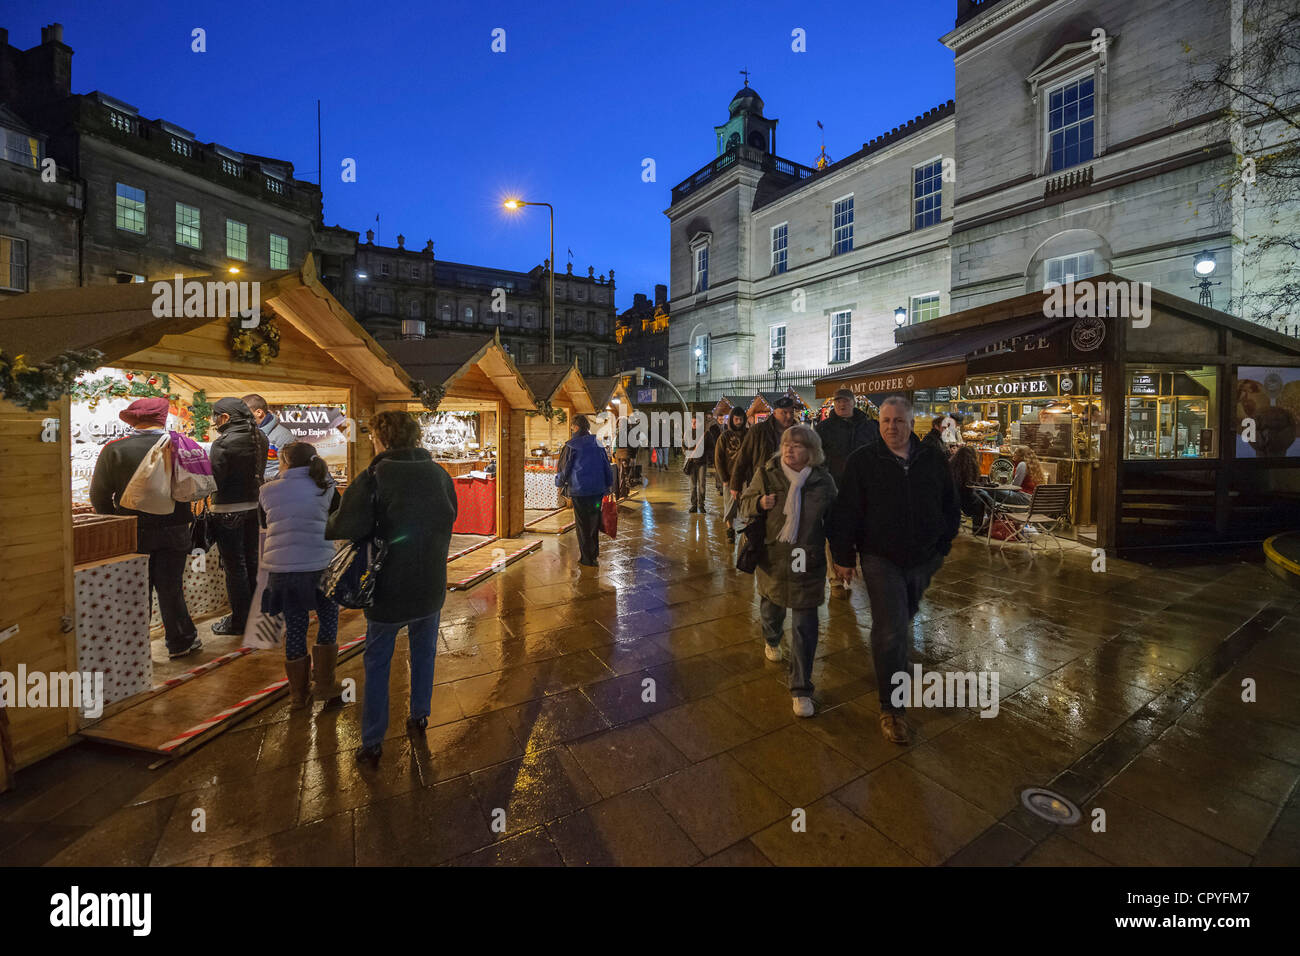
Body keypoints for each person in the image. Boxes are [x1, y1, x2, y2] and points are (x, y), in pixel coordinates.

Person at [327, 411, 457, 767]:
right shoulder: (439, 475)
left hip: (386, 587)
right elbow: (450, 517)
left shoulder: (374, 477)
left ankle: (372, 741)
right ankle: (419, 714)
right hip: (430, 583)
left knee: (379, 661)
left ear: (381, 439)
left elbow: (346, 525)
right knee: (424, 652)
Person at [828, 395, 960, 745]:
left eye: (898, 421)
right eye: (886, 421)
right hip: (878, 556)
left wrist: (942, 545)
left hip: (923, 557)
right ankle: (892, 708)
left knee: (903, 619)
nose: (891, 427)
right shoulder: (863, 462)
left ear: (910, 423)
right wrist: (842, 555)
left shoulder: (932, 459)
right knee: (890, 628)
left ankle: (895, 665)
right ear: (879, 424)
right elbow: (846, 511)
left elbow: (950, 504)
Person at [90, 397, 202, 660]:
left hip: (132, 530)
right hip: (175, 528)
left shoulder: (114, 450)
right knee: (171, 587)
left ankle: (133, 649)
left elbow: (98, 495)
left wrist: (118, 522)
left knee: (134, 590)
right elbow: (195, 489)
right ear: (163, 418)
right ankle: (180, 642)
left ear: (134, 418)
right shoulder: (181, 446)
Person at [740, 425, 837, 718]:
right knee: (772, 609)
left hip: (808, 559)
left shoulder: (822, 481)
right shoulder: (767, 474)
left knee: (805, 626)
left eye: (797, 445)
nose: (790, 450)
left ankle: (801, 688)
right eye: (786, 444)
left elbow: (836, 521)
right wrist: (758, 502)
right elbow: (744, 504)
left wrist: (843, 558)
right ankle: (771, 639)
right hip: (774, 557)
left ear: (812, 451)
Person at [259, 441, 342, 709]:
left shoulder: (267, 491)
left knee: (295, 626)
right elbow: (336, 519)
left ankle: (298, 694)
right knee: (328, 620)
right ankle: (326, 684)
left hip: (283, 568)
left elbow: (264, 523)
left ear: (284, 461)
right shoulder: (325, 487)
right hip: (320, 563)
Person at [209, 397, 269, 636]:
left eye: (215, 417)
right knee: (252, 562)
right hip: (254, 508)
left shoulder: (223, 444)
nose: (213, 422)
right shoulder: (260, 437)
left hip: (227, 511)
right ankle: (254, 614)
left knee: (235, 568)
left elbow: (214, 481)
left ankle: (239, 621)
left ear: (225, 418)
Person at [815, 388, 880, 593]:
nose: (842, 404)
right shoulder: (823, 428)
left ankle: (857, 571)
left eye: (846, 401)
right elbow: (816, 458)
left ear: (854, 403)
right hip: (834, 488)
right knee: (832, 531)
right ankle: (834, 578)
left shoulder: (870, 427)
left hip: (864, 489)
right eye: (838, 401)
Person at [557, 414, 614, 568]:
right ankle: (594, 553)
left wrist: (559, 482)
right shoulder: (598, 443)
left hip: (579, 491)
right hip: (596, 490)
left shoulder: (571, 446)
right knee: (594, 521)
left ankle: (586, 558)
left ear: (576, 427)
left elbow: (565, 468)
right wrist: (609, 485)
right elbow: (606, 465)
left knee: (582, 524)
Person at [728, 395, 796, 501]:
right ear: (774, 413)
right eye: (784, 413)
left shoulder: (798, 433)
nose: (788, 416)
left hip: (790, 484)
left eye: (791, 412)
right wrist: (735, 485)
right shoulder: (758, 431)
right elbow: (743, 457)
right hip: (763, 484)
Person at [714, 407, 749, 540]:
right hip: (729, 476)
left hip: (745, 477)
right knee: (730, 505)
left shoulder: (748, 434)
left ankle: (745, 530)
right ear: (732, 420)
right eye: (736, 419)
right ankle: (730, 528)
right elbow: (718, 458)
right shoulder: (725, 436)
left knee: (745, 505)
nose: (739, 422)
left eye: (741, 419)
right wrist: (723, 478)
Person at [242, 393, 295, 479]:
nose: (240, 418)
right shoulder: (246, 432)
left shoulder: (284, 437)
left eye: (243, 414)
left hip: (274, 488)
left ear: (259, 412)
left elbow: (289, 470)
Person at [686, 413, 720, 514]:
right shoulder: (688, 433)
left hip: (702, 463)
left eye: (695, 422)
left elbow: (712, 448)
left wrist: (706, 455)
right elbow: (683, 445)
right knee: (692, 485)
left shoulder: (706, 433)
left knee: (701, 485)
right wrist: (687, 453)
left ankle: (701, 505)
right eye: (692, 422)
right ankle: (693, 505)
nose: (694, 424)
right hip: (692, 462)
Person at [950, 444, 986, 533]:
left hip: (951, 498)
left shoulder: (952, 464)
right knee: (982, 499)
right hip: (963, 499)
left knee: (980, 496)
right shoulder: (969, 467)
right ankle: (977, 527)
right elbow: (968, 486)